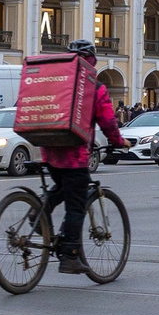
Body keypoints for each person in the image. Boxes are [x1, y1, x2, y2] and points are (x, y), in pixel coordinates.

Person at [41, 40, 124, 275]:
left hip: (48, 149)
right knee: (76, 207)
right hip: (75, 154)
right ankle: (70, 256)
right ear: (92, 61)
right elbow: (107, 121)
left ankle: (38, 213)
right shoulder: (94, 87)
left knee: (64, 187)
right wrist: (118, 141)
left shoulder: (56, 81)